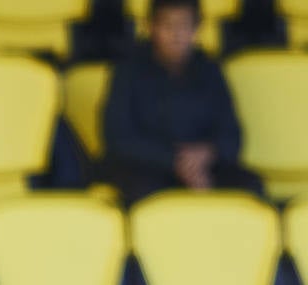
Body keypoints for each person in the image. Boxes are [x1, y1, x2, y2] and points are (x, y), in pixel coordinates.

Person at [103, 0, 262, 203]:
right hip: (147, 166)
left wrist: (206, 153)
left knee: (249, 186)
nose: (176, 34)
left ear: (196, 29)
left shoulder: (210, 70)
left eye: (184, 25)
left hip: (203, 166)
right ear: (151, 27)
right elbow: (117, 137)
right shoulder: (127, 70)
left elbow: (232, 135)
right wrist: (174, 161)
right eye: (168, 25)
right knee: (141, 190)